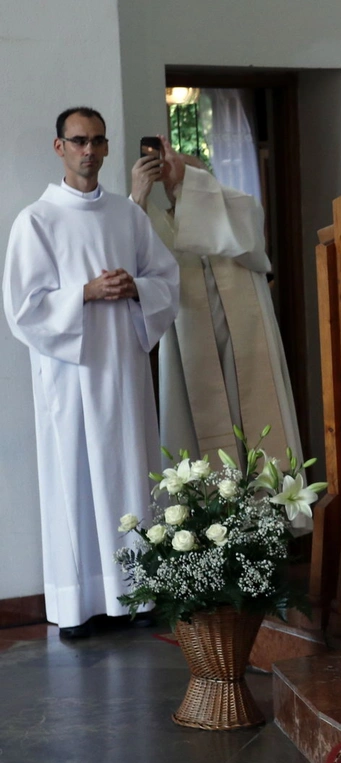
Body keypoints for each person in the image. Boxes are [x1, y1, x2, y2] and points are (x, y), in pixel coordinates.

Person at [3, 106, 180, 638]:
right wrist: (84, 293)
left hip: (123, 371)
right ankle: (80, 604)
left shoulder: (128, 216)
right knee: (76, 479)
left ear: (106, 148)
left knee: (129, 470)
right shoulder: (37, 220)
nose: (89, 150)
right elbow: (22, 308)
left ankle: (138, 594)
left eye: (98, 141)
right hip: (70, 379)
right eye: (79, 141)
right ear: (59, 147)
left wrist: (137, 290)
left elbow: (165, 280)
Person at [130, 137, 304, 480]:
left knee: (256, 428)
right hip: (191, 350)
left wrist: (187, 180)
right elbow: (129, 251)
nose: (180, 184)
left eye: (195, 180)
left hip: (246, 351)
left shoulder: (240, 218)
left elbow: (239, 216)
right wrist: (138, 197)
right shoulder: (163, 227)